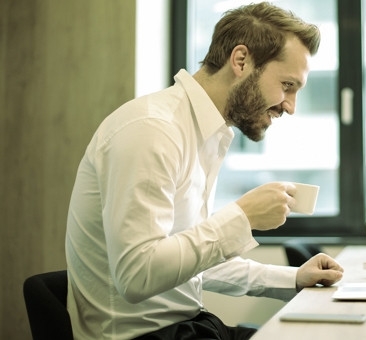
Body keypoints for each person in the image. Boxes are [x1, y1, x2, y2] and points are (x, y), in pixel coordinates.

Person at [65, 2, 344, 339]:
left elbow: (187, 263)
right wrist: (241, 217)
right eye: (287, 85)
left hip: (187, 328)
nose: (290, 106)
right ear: (241, 61)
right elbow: (137, 276)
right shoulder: (152, 130)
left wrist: (293, 278)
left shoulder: (206, 133)